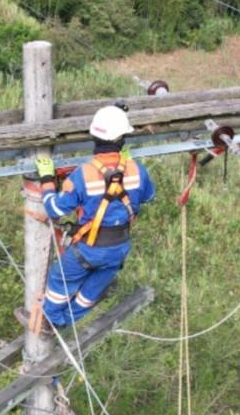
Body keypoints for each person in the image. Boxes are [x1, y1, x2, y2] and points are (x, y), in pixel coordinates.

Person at [30, 104, 156, 329]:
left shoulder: (83, 175)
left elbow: (55, 210)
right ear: (123, 139)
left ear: (93, 136)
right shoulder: (137, 170)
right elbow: (148, 196)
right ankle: (68, 319)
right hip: (118, 249)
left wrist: (47, 180)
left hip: (89, 249)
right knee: (92, 291)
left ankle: (51, 318)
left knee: (60, 280)